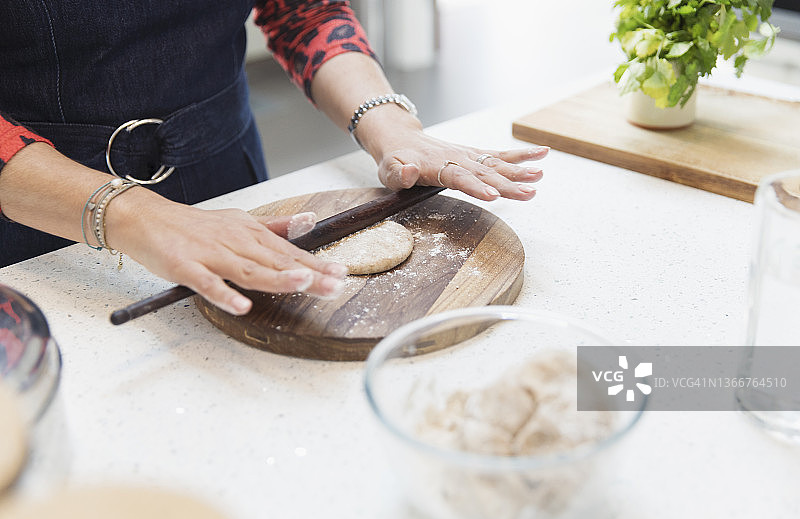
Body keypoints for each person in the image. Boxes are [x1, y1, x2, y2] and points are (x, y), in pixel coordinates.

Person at [0, 1, 547, 317]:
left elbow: (302, 10)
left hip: (222, 164)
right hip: (41, 208)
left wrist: (394, 127)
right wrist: (136, 217)